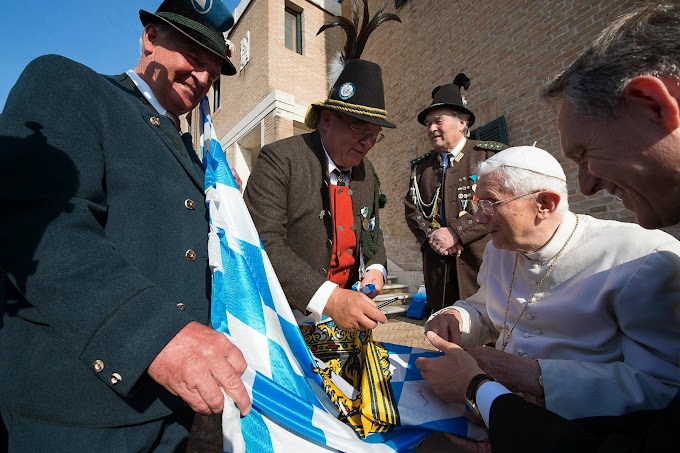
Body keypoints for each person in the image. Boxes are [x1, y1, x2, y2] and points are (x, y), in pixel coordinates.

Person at [418, 4, 680, 451]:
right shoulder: (502, 249)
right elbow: (488, 305)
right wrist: (458, 316)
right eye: (475, 204)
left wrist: (523, 376)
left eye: (489, 205)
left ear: (545, 204)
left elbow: (662, 392)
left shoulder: (642, 258)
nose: (477, 219)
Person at [0, 1, 251, 450]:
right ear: (150, 37)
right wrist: (158, 335)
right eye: (194, 58)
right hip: (81, 418)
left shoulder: (194, 156)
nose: (202, 78)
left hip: (176, 412)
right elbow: (41, 222)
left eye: (213, 70)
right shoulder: (67, 85)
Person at [405, 74, 505, 315]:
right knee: (444, 335)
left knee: (488, 338)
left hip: (481, 269)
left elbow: (500, 203)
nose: (431, 128)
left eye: (438, 121)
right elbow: (412, 208)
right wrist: (436, 239)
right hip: (439, 274)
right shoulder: (422, 167)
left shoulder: (488, 157)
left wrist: (457, 232)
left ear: (462, 122)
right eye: (428, 123)